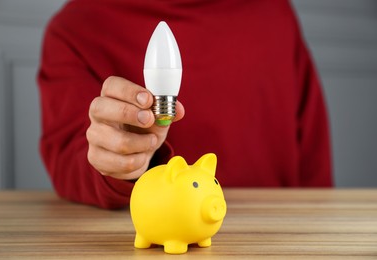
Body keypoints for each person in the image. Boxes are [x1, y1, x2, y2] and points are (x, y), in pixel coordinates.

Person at [38, 0, 333, 209]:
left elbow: (313, 154)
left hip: (276, 233)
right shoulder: (75, 28)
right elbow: (70, 157)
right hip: (151, 235)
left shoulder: (271, 11)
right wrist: (117, 161)